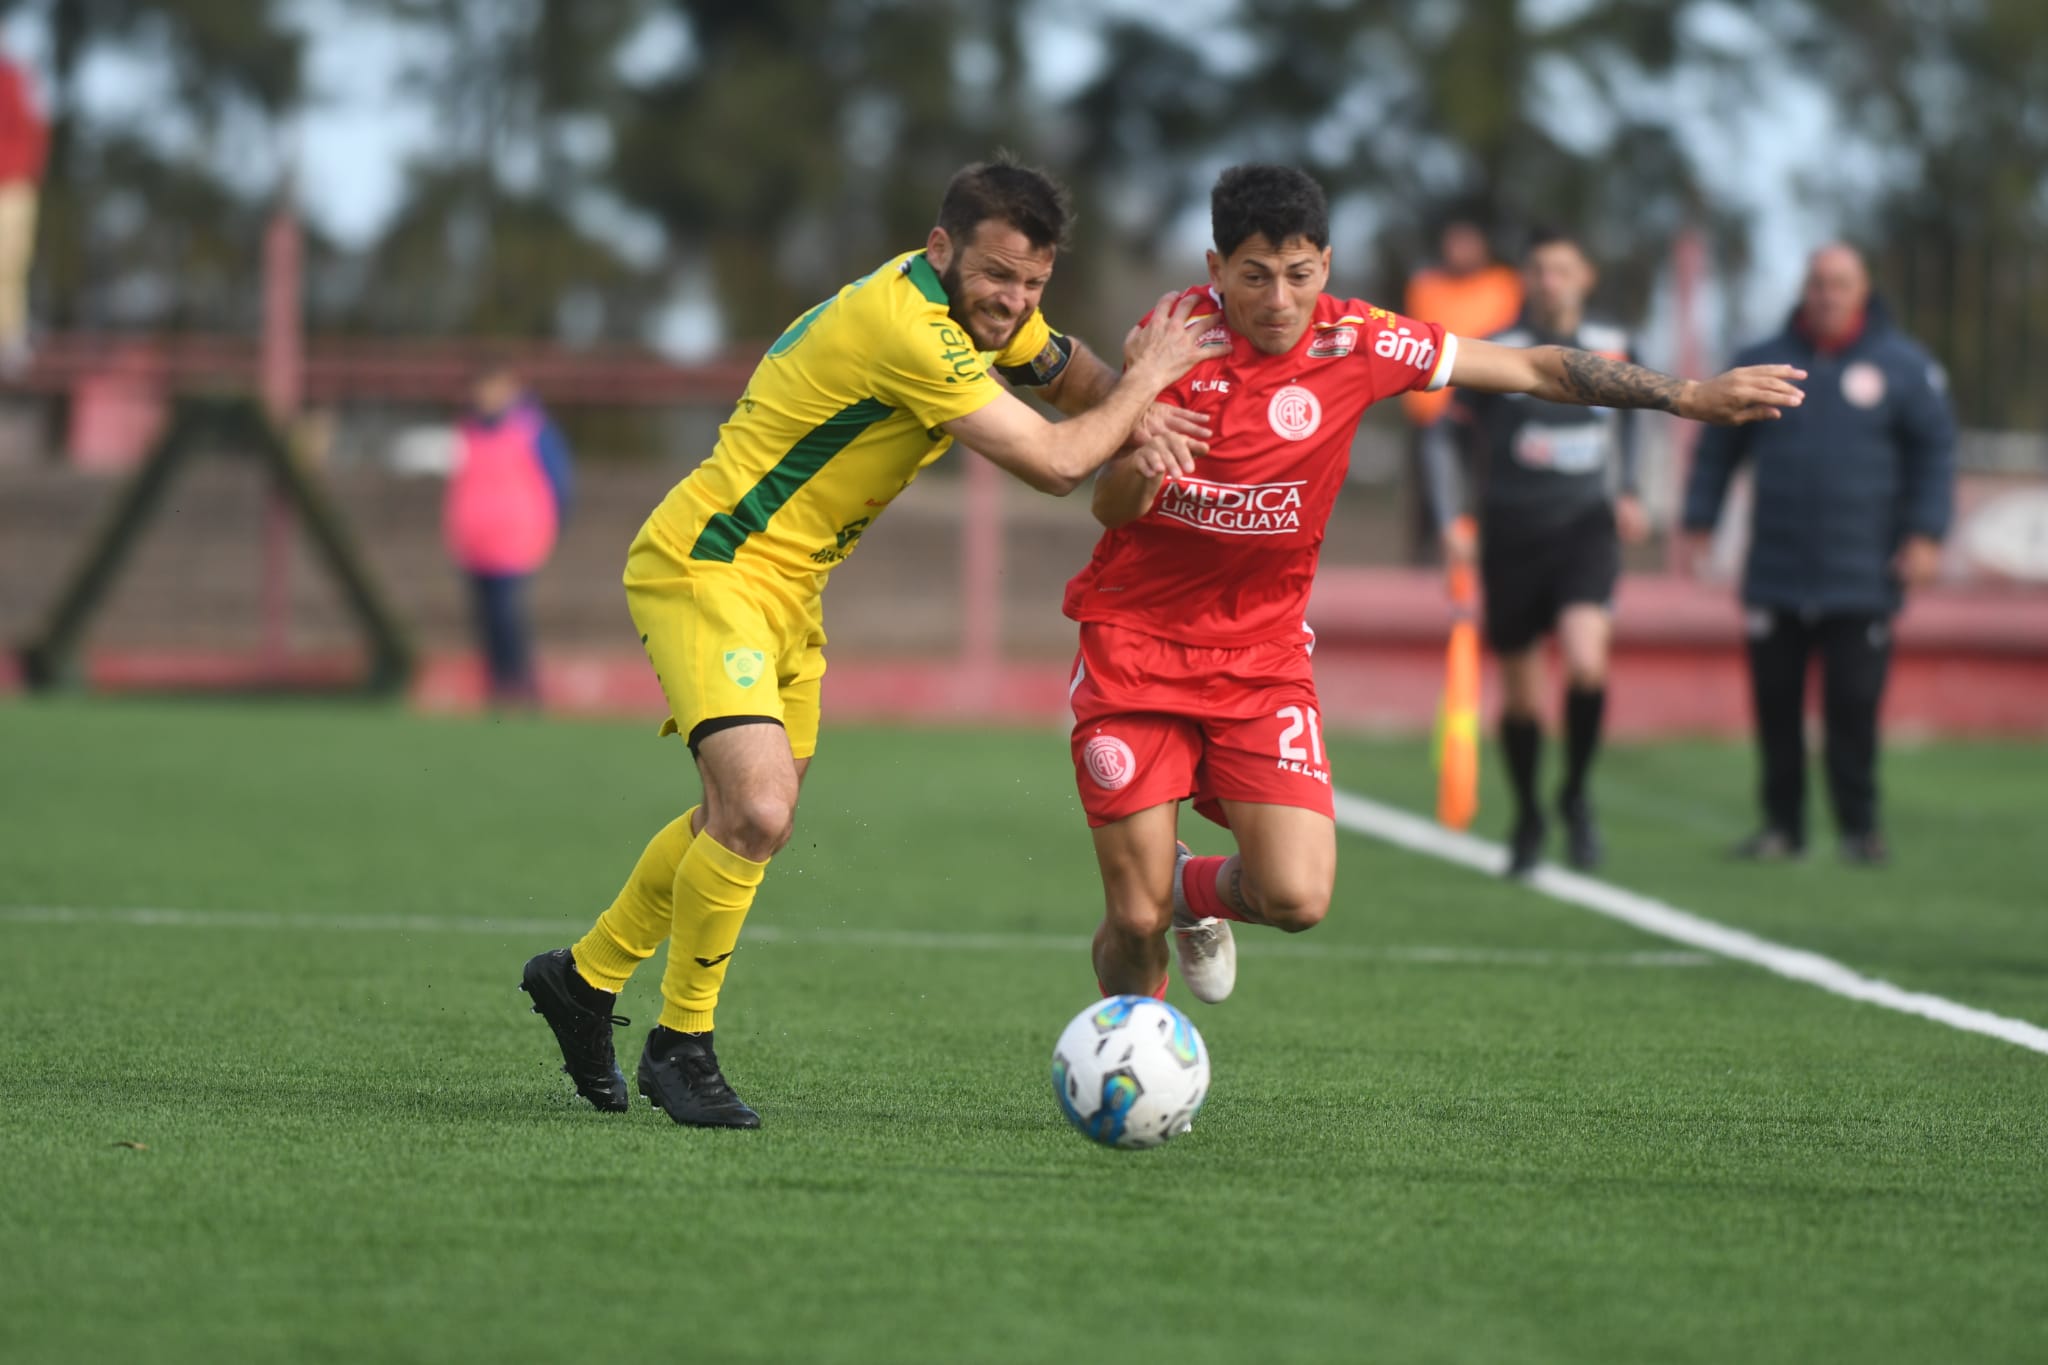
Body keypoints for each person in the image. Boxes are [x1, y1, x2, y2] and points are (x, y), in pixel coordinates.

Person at [519, 156, 1224, 1127]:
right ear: (941, 249)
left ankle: (583, 979)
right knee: (756, 809)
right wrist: (1145, 384)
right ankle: (681, 1047)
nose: (1013, 300)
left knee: (741, 819)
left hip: (788, 589)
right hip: (708, 566)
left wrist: (1147, 413)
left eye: (1032, 282)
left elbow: (1076, 382)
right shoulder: (907, 328)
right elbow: (1057, 463)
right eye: (996, 275)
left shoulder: (984, 314)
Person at [1069, 164, 1804, 1003]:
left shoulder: (1360, 341)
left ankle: (1188, 891)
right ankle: (1129, 1044)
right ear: (1216, 268)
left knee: (1297, 896)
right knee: (1132, 918)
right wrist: (1144, 470)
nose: (1279, 299)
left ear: (1326, 265)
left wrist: (1688, 396)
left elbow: (1534, 369)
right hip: (1137, 644)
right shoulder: (1170, 341)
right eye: (1255, 275)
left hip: (1259, 655)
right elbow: (1107, 505)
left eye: (1299, 275)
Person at [1681, 243, 1954, 867]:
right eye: (1818, 282)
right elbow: (1718, 450)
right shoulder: (1761, 362)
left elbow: (1935, 455)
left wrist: (1926, 533)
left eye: (1840, 282)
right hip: (1777, 568)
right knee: (1775, 704)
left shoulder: (1906, 367)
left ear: (1863, 291)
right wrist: (1700, 519)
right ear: (1804, 290)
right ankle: (1782, 827)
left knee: (1853, 707)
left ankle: (1859, 829)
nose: (1827, 293)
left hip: (1863, 573)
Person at [1421, 230, 1648, 876]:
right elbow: (1443, 436)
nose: (1552, 281)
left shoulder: (1615, 344)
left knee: (1585, 663)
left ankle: (1575, 792)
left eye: (1564, 269)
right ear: (1527, 277)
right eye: (1541, 269)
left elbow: (1636, 415)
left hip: (1586, 529)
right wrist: (1451, 518)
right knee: (1522, 699)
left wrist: (1630, 488)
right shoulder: (1499, 348)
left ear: (1586, 276)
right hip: (1513, 534)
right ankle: (1528, 814)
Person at [442, 364, 573, 707]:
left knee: (508, 616)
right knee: (485, 620)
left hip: (515, 541)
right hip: (475, 543)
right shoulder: (466, 430)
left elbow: (559, 484)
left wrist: (549, 527)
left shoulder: (533, 430)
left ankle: (522, 687)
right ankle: (497, 688)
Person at [1399, 215, 1523, 561]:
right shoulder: (1426, 285)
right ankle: (1428, 563)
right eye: (1453, 243)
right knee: (1434, 493)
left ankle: (1488, 558)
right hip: (1435, 406)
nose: (1459, 251)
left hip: (1490, 404)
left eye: (1467, 243)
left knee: (1487, 488)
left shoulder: (1505, 285)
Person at [0, 53, 46, 372]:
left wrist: (25, 173)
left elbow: (31, 131)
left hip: (11, 183)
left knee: (8, 263)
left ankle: (9, 338)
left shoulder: (13, 78)